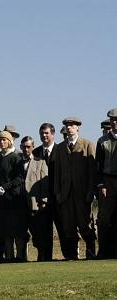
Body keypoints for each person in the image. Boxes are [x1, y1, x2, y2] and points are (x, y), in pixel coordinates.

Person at [54, 117, 97, 260]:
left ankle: (91, 253)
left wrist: (91, 191)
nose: (69, 128)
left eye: (72, 125)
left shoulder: (87, 145)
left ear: (78, 127)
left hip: (82, 193)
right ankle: (72, 256)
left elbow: (92, 171)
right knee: (68, 226)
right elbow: (57, 172)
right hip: (66, 193)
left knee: (85, 225)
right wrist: (58, 192)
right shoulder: (60, 148)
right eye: (67, 125)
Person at [33, 123, 68, 260]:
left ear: (53, 134)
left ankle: (68, 255)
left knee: (63, 228)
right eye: (42, 133)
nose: (44, 135)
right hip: (42, 199)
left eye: (47, 133)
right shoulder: (36, 152)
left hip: (58, 196)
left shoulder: (61, 149)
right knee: (44, 230)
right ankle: (45, 258)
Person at [0, 131, 25, 262]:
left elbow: (20, 178)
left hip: (14, 199)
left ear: (10, 141)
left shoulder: (16, 158)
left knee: (17, 229)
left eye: (4, 140)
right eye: (0, 140)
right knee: (5, 230)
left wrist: (6, 187)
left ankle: (20, 255)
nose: (2, 142)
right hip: (0, 200)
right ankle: (9, 256)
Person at [20, 136, 50, 261]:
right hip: (20, 203)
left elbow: (45, 182)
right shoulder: (17, 162)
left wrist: (44, 200)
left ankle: (41, 255)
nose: (26, 149)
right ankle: (21, 256)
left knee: (38, 232)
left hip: (35, 203)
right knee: (21, 232)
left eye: (28, 147)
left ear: (33, 147)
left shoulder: (40, 162)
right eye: (24, 147)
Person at [96, 109, 117, 259]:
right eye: (112, 120)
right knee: (104, 219)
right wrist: (101, 184)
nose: (114, 122)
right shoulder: (102, 141)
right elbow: (98, 165)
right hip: (108, 182)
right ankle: (103, 251)